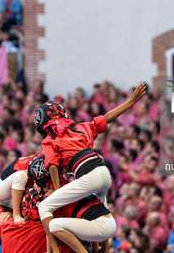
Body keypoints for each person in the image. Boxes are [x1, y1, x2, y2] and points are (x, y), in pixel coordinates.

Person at [34, 83, 146, 252]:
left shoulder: (50, 139)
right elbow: (106, 117)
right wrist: (130, 101)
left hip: (87, 175)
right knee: (100, 209)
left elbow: (52, 166)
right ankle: (104, 250)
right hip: (104, 173)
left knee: (44, 207)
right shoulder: (81, 127)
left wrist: (57, 192)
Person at [0, 151, 49, 224]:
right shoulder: (38, 163)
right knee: (21, 176)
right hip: (0, 187)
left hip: (21, 184)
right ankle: (16, 215)